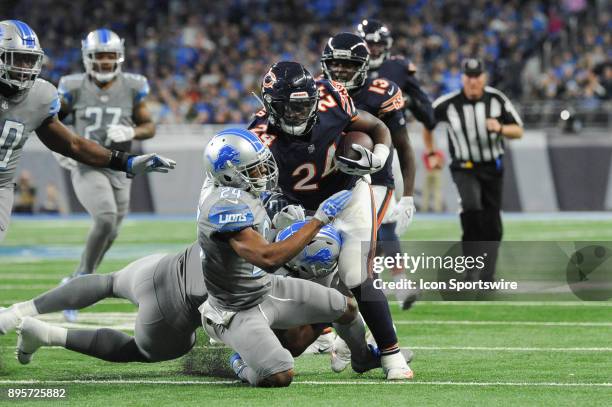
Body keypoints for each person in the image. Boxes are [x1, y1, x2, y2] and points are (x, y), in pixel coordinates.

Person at [249, 62, 413, 380]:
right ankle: (260, 345)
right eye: (289, 108)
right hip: (298, 213)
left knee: (356, 273)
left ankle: (392, 356)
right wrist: (274, 205)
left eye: (303, 106)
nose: (298, 114)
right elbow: (254, 189)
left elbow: (378, 127)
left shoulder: (333, 100)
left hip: (346, 196)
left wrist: (378, 155)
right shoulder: (259, 138)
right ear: (270, 106)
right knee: (293, 284)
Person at [198, 128, 376, 387]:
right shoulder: (225, 205)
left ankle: (363, 359)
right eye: (253, 168)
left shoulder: (242, 193)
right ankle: (240, 363)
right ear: (228, 174)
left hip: (265, 288)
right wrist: (318, 220)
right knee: (279, 374)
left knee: (345, 307)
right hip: (236, 308)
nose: (262, 172)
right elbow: (267, 258)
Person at [0, 20, 175, 243]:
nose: (24, 68)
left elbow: (74, 145)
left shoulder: (40, 97)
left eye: (29, 59)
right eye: (17, 59)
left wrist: (127, 162)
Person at [321, 32, 419, 310]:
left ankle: (372, 315)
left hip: (374, 179)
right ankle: (326, 327)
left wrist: (408, 196)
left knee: (360, 250)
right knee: (322, 251)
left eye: (348, 64)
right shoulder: (319, 93)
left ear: (363, 65)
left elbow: (404, 146)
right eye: (335, 63)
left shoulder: (380, 93)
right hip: (331, 181)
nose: (340, 69)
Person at [57, 28, 156, 287]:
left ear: (119, 56)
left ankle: (80, 276)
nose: (104, 61)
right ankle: (82, 278)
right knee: (105, 218)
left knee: (111, 231)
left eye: (109, 55)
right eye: (98, 55)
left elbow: (149, 126)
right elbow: (49, 121)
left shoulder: (133, 86)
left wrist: (131, 130)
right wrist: (62, 148)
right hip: (89, 163)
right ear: (87, 57)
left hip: (121, 165)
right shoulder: (73, 86)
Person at [0, 242, 206, 364]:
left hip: (159, 266)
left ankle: (16, 312)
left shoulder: (220, 197)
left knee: (110, 282)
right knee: (143, 351)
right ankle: (46, 334)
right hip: (170, 309)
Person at [423, 58, 523, 282]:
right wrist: (431, 152)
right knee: (472, 209)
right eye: (469, 76)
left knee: (492, 224)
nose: (473, 81)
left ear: (483, 78)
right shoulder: (447, 104)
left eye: (477, 76)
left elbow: (518, 131)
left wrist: (500, 128)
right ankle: (470, 270)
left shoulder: (497, 99)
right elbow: (427, 124)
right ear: (463, 79)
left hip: (492, 168)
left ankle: (488, 273)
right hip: (464, 167)